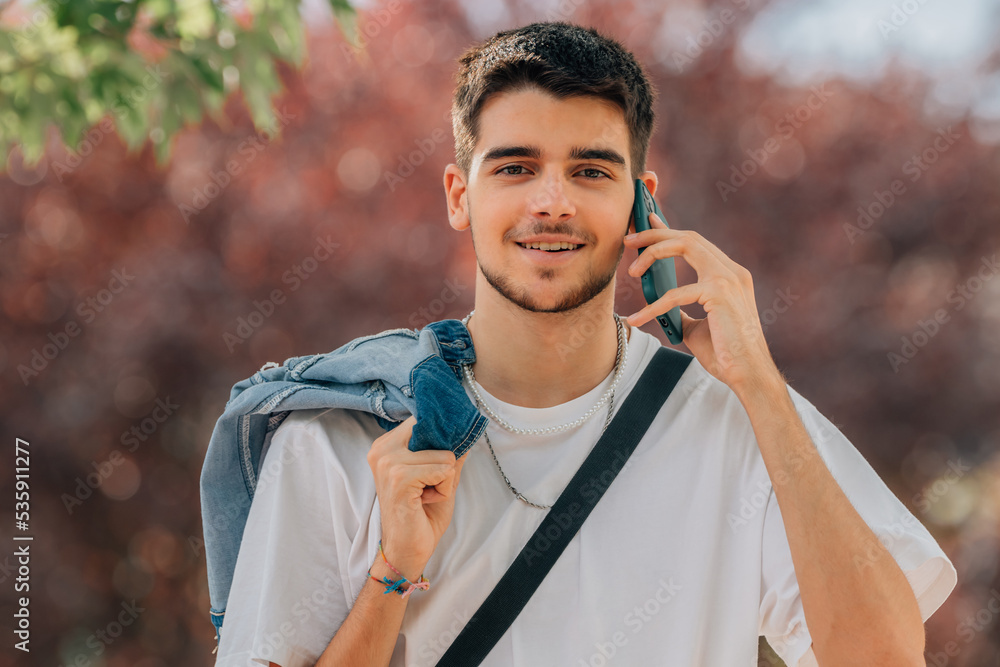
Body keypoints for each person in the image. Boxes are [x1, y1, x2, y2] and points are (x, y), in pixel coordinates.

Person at [212, 20, 957, 667]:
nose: (552, 200)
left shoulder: (741, 416)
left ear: (641, 199)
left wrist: (761, 386)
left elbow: (886, 656)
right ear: (458, 194)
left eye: (591, 170)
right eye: (515, 167)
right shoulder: (345, 433)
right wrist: (392, 573)